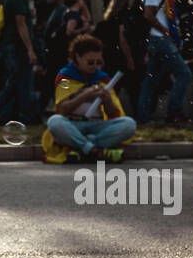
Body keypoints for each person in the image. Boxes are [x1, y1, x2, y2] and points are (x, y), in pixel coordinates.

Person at [44, 34, 137, 163]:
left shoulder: (102, 79)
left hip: (97, 125)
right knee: (54, 122)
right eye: (90, 62)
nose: (95, 66)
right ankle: (96, 150)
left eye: (98, 62)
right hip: (73, 124)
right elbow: (62, 109)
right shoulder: (65, 77)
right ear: (77, 57)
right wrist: (85, 95)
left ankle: (83, 147)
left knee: (129, 124)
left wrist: (107, 100)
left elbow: (113, 114)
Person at [135, 0, 192, 125]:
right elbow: (148, 14)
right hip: (160, 39)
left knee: (151, 81)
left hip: (159, 39)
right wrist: (165, 31)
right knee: (184, 73)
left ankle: (143, 118)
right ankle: (174, 112)